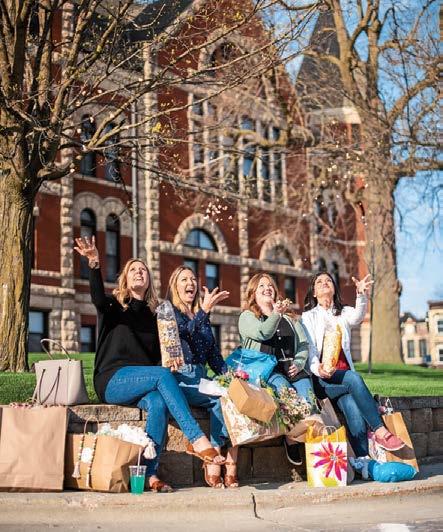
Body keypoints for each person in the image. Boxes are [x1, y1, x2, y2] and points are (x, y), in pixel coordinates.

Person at [74, 236, 225, 493]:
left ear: (149, 280)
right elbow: (97, 297)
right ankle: (197, 439)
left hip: (142, 382)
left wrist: (172, 361)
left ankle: (149, 473)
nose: (138, 272)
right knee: (160, 376)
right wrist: (94, 264)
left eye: (143, 270)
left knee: (158, 402)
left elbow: (159, 356)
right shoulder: (113, 306)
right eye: (133, 269)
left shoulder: (157, 315)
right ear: (125, 278)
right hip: (112, 379)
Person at [301, 271, 405, 457]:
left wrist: (361, 294)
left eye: (328, 280)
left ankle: (363, 461)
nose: (324, 283)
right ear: (314, 293)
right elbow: (310, 351)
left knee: (352, 407)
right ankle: (380, 430)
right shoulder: (308, 317)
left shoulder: (343, 312)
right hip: (323, 380)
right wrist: (319, 369)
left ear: (334, 289)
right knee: (354, 378)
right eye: (319, 282)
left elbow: (357, 317)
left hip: (345, 380)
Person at [166, 266, 239, 488]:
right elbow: (184, 333)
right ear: (175, 286)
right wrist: (204, 311)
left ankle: (219, 455)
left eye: (192, 279)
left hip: (201, 376)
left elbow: (213, 355)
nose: (190, 283)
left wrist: (230, 376)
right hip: (180, 377)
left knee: (232, 394)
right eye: (184, 279)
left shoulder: (202, 315)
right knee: (219, 399)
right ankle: (213, 458)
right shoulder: (169, 312)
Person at [238, 273, 314, 466]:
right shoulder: (247, 317)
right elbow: (262, 333)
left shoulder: (290, 318)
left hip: (293, 369)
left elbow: (303, 344)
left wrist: (299, 362)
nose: (267, 288)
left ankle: (307, 444)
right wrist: (275, 314)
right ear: (253, 293)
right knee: (286, 395)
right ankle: (292, 439)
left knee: (309, 402)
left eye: (270, 285)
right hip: (268, 371)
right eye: (261, 286)